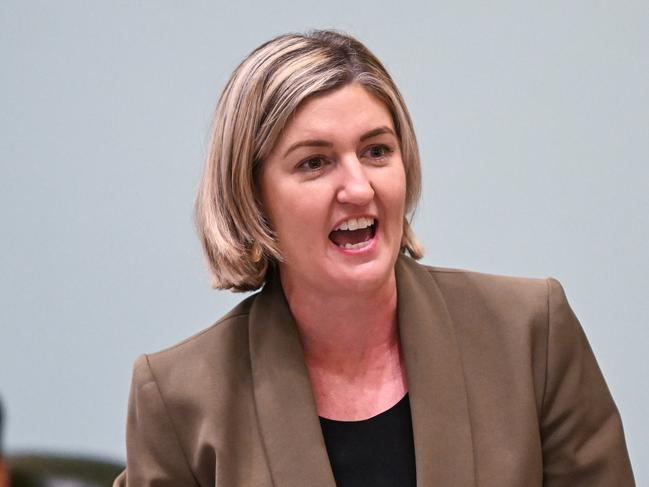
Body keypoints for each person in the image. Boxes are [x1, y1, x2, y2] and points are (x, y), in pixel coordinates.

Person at [114, 30, 635, 486]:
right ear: (252, 197)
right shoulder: (178, 399)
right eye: (314, 162)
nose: (359, 188)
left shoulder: (530, 333)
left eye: (376, 151)